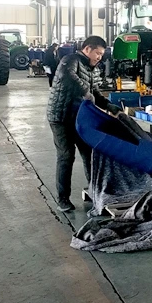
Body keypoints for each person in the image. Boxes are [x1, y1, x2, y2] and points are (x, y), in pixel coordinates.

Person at [47, 36, 119, 212]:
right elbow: (67, 75)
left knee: (89, 154)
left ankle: (95, 192)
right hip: (60, 117)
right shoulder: (70, 60)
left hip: (80, 118)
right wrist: (86, 92)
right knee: (66, 156)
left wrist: (111, 107)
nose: (100, 57)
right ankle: (63, 199)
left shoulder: (93, 69)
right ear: (87, 49)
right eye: (98, 53)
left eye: (102, 54)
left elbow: (95, 92)